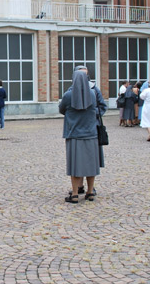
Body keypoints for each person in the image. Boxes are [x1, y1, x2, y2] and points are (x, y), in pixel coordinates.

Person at [59, 71, 102, 203]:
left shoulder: (68, 95)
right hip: (91, 134)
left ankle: (75, 194)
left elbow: (61, 110)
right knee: (91, 164)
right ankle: (90, 192)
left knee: (75, 165)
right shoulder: (92, 94)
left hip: (74, 134)